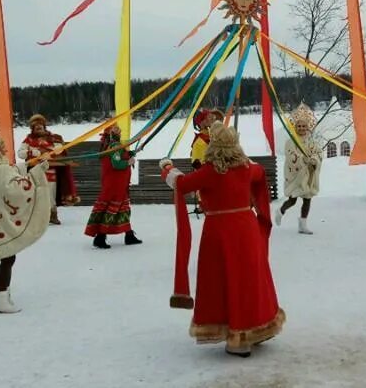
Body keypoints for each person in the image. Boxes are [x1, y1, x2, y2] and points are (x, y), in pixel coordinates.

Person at [160, 122, 285, 358]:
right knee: (250, 279)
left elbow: (181, 184)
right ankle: (258, 327)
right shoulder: (247, 167)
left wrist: (167, 168)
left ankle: (239, 340)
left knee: (225, 280)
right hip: (247, 229)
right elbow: (260, 174)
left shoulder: (210, 172)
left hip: (219, 232)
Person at [0, 137, 52, 313]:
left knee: (8, 259)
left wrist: (27, 166)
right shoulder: (0, 169)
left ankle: (3, 296)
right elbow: (14, 189)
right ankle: (1, 299)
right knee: (7, 259)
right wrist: (37, 173)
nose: (5, 149)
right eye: (2, 147)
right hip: (0, 221)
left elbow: (10, 173)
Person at [84, 124, 142, 249]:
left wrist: (131, 153)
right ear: (111, 134)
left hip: (115, 184)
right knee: (113, 208)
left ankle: (129, 234)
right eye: (116, 131)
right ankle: (100, 237)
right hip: (116, 185)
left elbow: (119, 155)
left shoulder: (109, 147)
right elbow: (116, 163)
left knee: (123, 208)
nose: (119, 132)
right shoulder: (115, 146)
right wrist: (128, 162)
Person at [18, 114, 79, 225]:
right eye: (36, 126)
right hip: (35, 171)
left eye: (40, 125)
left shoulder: (53, 138)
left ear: (44, 126)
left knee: (50, 192)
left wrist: (52, 150)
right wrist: (34, 152)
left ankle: (53, 214)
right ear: (32, 128)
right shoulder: (28, 140)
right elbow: (21, 154)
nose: (38, 127)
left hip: (50, 170)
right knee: (37, 193)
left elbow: (60, 150)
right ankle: (38, 216)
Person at [275, 103, 322, 234]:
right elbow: (291, 156)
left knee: (307, 199)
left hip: (308, 176)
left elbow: (318, 153)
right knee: (293, 200)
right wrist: (302, 160)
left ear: (308, 127)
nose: (301, 128)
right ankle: (280, 211)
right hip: (296, 175)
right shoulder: (290, 142)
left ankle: (303, 224)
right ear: (295, 127)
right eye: (299, 126)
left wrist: (314, 160)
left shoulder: (311, 141)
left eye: (304, 126)